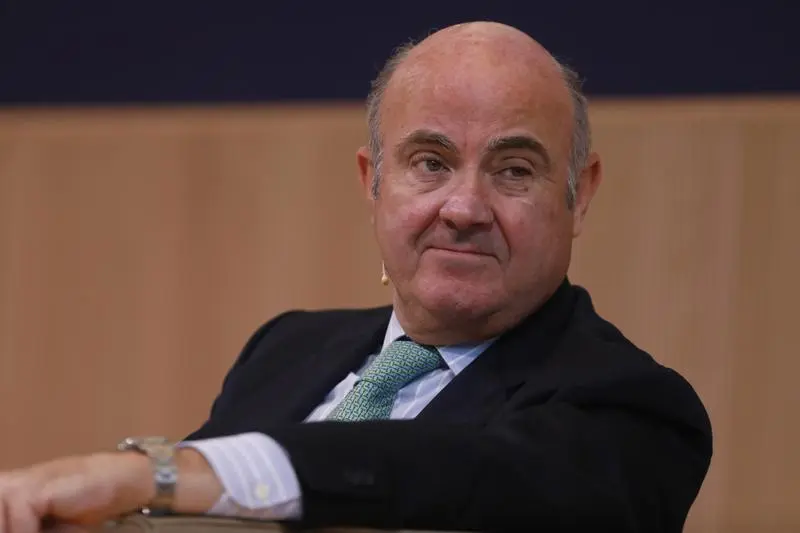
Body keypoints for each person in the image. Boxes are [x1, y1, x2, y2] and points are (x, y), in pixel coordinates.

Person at [0, 21, 712, 533]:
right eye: (430, 163)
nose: (464, 208)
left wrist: (155, 472)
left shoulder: (635, 410)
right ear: (373, 182)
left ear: (579, 196)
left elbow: (449, 471)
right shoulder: (286, 349)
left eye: (514, 170)